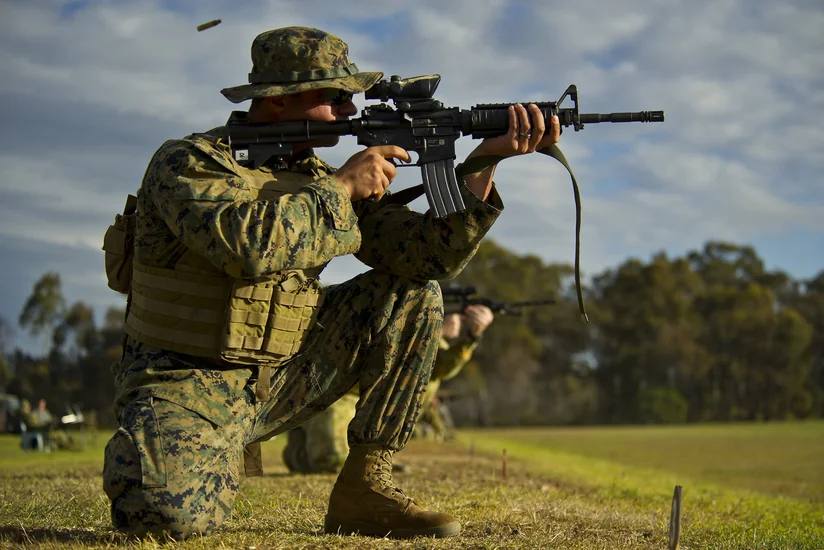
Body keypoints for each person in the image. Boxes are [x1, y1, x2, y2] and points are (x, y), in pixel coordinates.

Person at [101, 25, 560, 541]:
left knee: (412, 294)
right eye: (335, 97)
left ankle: (365, 488)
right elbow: (246, 246)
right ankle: (180, 447)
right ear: (279, 100)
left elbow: (426, 257)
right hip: (187, 380)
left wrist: (485, 161)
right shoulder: (190, 162)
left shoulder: (317, 176)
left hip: (284, 376)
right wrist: (341, 187)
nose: (350, 109)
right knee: (164, 520)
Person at [283, 304, 494, 472]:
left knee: (343, 462)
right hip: (340, 397)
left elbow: (436, 366)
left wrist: (469, 336)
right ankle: (306, 447)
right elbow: (417, 357)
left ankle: (360, 453)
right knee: (332, 460)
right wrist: (438, 332)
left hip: (364, 402)